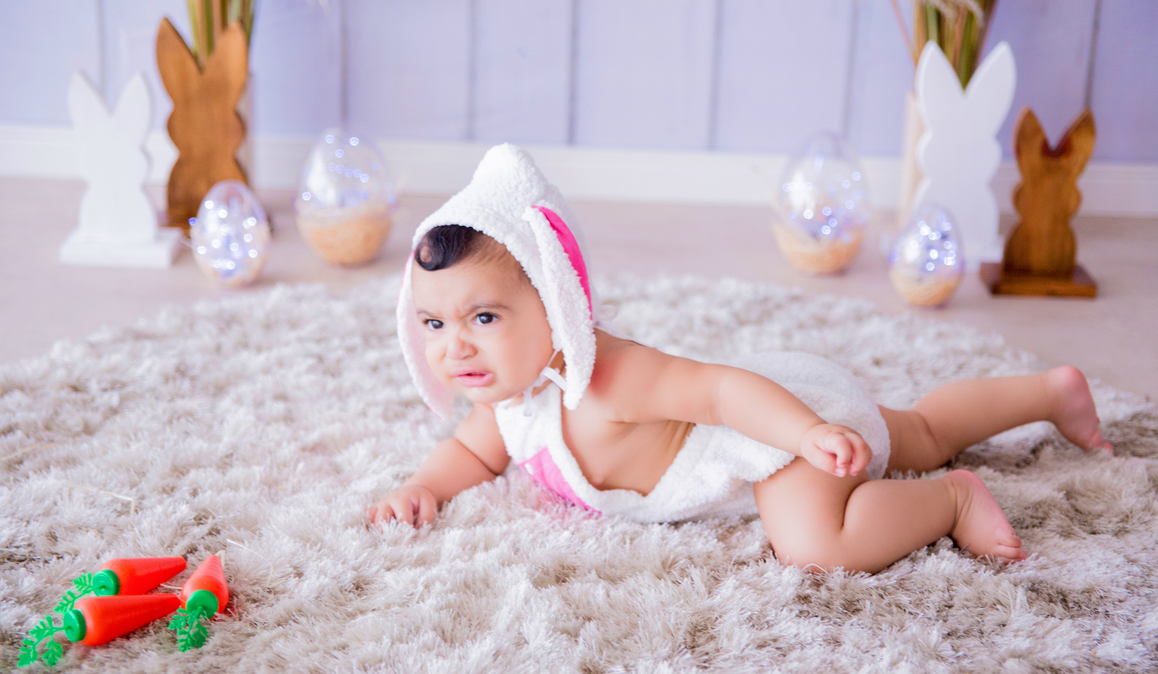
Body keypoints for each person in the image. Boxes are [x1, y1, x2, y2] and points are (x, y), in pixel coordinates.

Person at [367, 145, 1111, 574]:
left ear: (557, 304)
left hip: (769, 439)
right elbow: (472, 449)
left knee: (816, 544)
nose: (452, 344)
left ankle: (950, 499)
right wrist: (421, 488)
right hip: (783, 413)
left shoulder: (605, 376)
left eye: (484, 316)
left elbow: (721, 394)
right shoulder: (510, 396)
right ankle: (1049, 391)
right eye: (433, 321)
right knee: (913, 428)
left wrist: (801, 437)